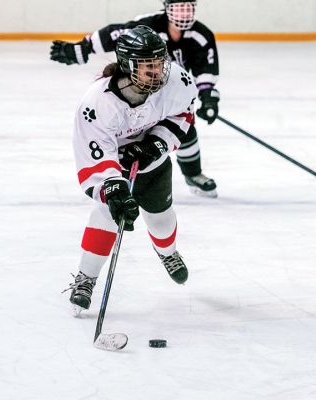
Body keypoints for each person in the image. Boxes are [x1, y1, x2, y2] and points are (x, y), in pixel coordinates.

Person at [66, 25, 198, 312]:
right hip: (114, 164)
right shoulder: (97, 104)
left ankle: (169, 253)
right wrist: (112, 188)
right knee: (106, 217)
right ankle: (85, 278)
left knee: (161, 218)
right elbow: (95, 156)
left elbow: (185, 113)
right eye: (147, 65)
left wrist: (157, 144)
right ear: (127, 66)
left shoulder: (177, 81)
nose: (157, 71)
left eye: (159, 63)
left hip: (153, 164)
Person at [50, 0, 219, 198]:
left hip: (170, 90)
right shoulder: (149, 26)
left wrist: (207, 96)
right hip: (143, 91)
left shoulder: (201, 35)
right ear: (166, 8)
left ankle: (193, 174)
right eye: (178, 8)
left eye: (187, 8)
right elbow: (116, 34)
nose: (183, 14)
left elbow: (206, 67)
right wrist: (83, 48)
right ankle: (115, 177)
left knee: (186, 129)